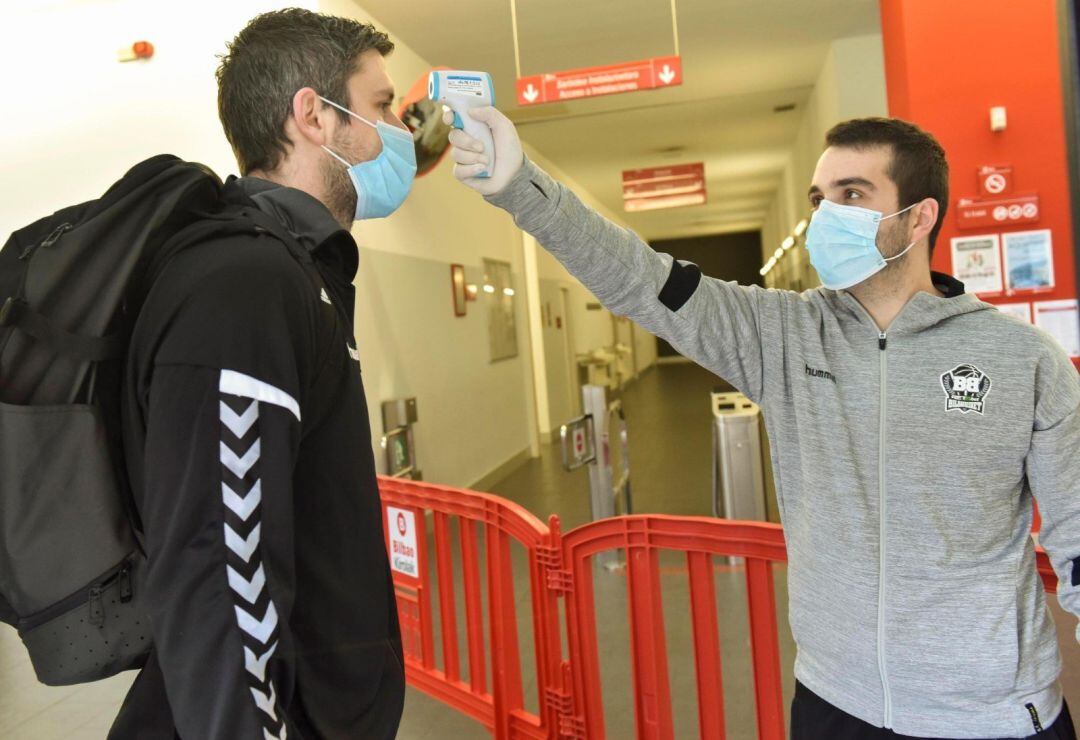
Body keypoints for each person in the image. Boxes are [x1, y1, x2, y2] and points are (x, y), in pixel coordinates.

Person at [445, 107, 1080, 739]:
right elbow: (641, 279)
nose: (826, 215)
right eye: (818, 198)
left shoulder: (1022, 361)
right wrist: (519, 187)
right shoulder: (781, 334)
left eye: (852, 194)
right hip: (836, 701)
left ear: (919, 216)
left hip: (993, 712)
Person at [110, 10, 412, 738]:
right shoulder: (244, 282)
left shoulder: (299, 270)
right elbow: (218, 571)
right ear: (314, 116)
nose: (398, 131)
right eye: (380, 107)